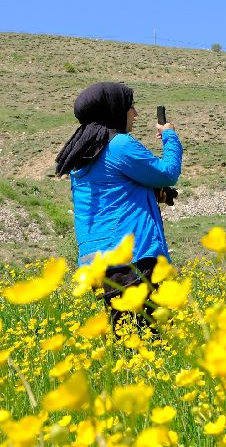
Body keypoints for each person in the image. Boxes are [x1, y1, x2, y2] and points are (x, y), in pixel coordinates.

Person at [55, 82, 182, 329]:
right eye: (131, 107)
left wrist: (153, 193)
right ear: (114, 110)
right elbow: (167, 172)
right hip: (134, 257)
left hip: (100, 265)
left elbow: (113, 192)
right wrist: (170, 136)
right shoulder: (119, 145)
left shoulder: (83, 153)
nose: (135, 113)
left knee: (127, 340)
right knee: (149, 340)